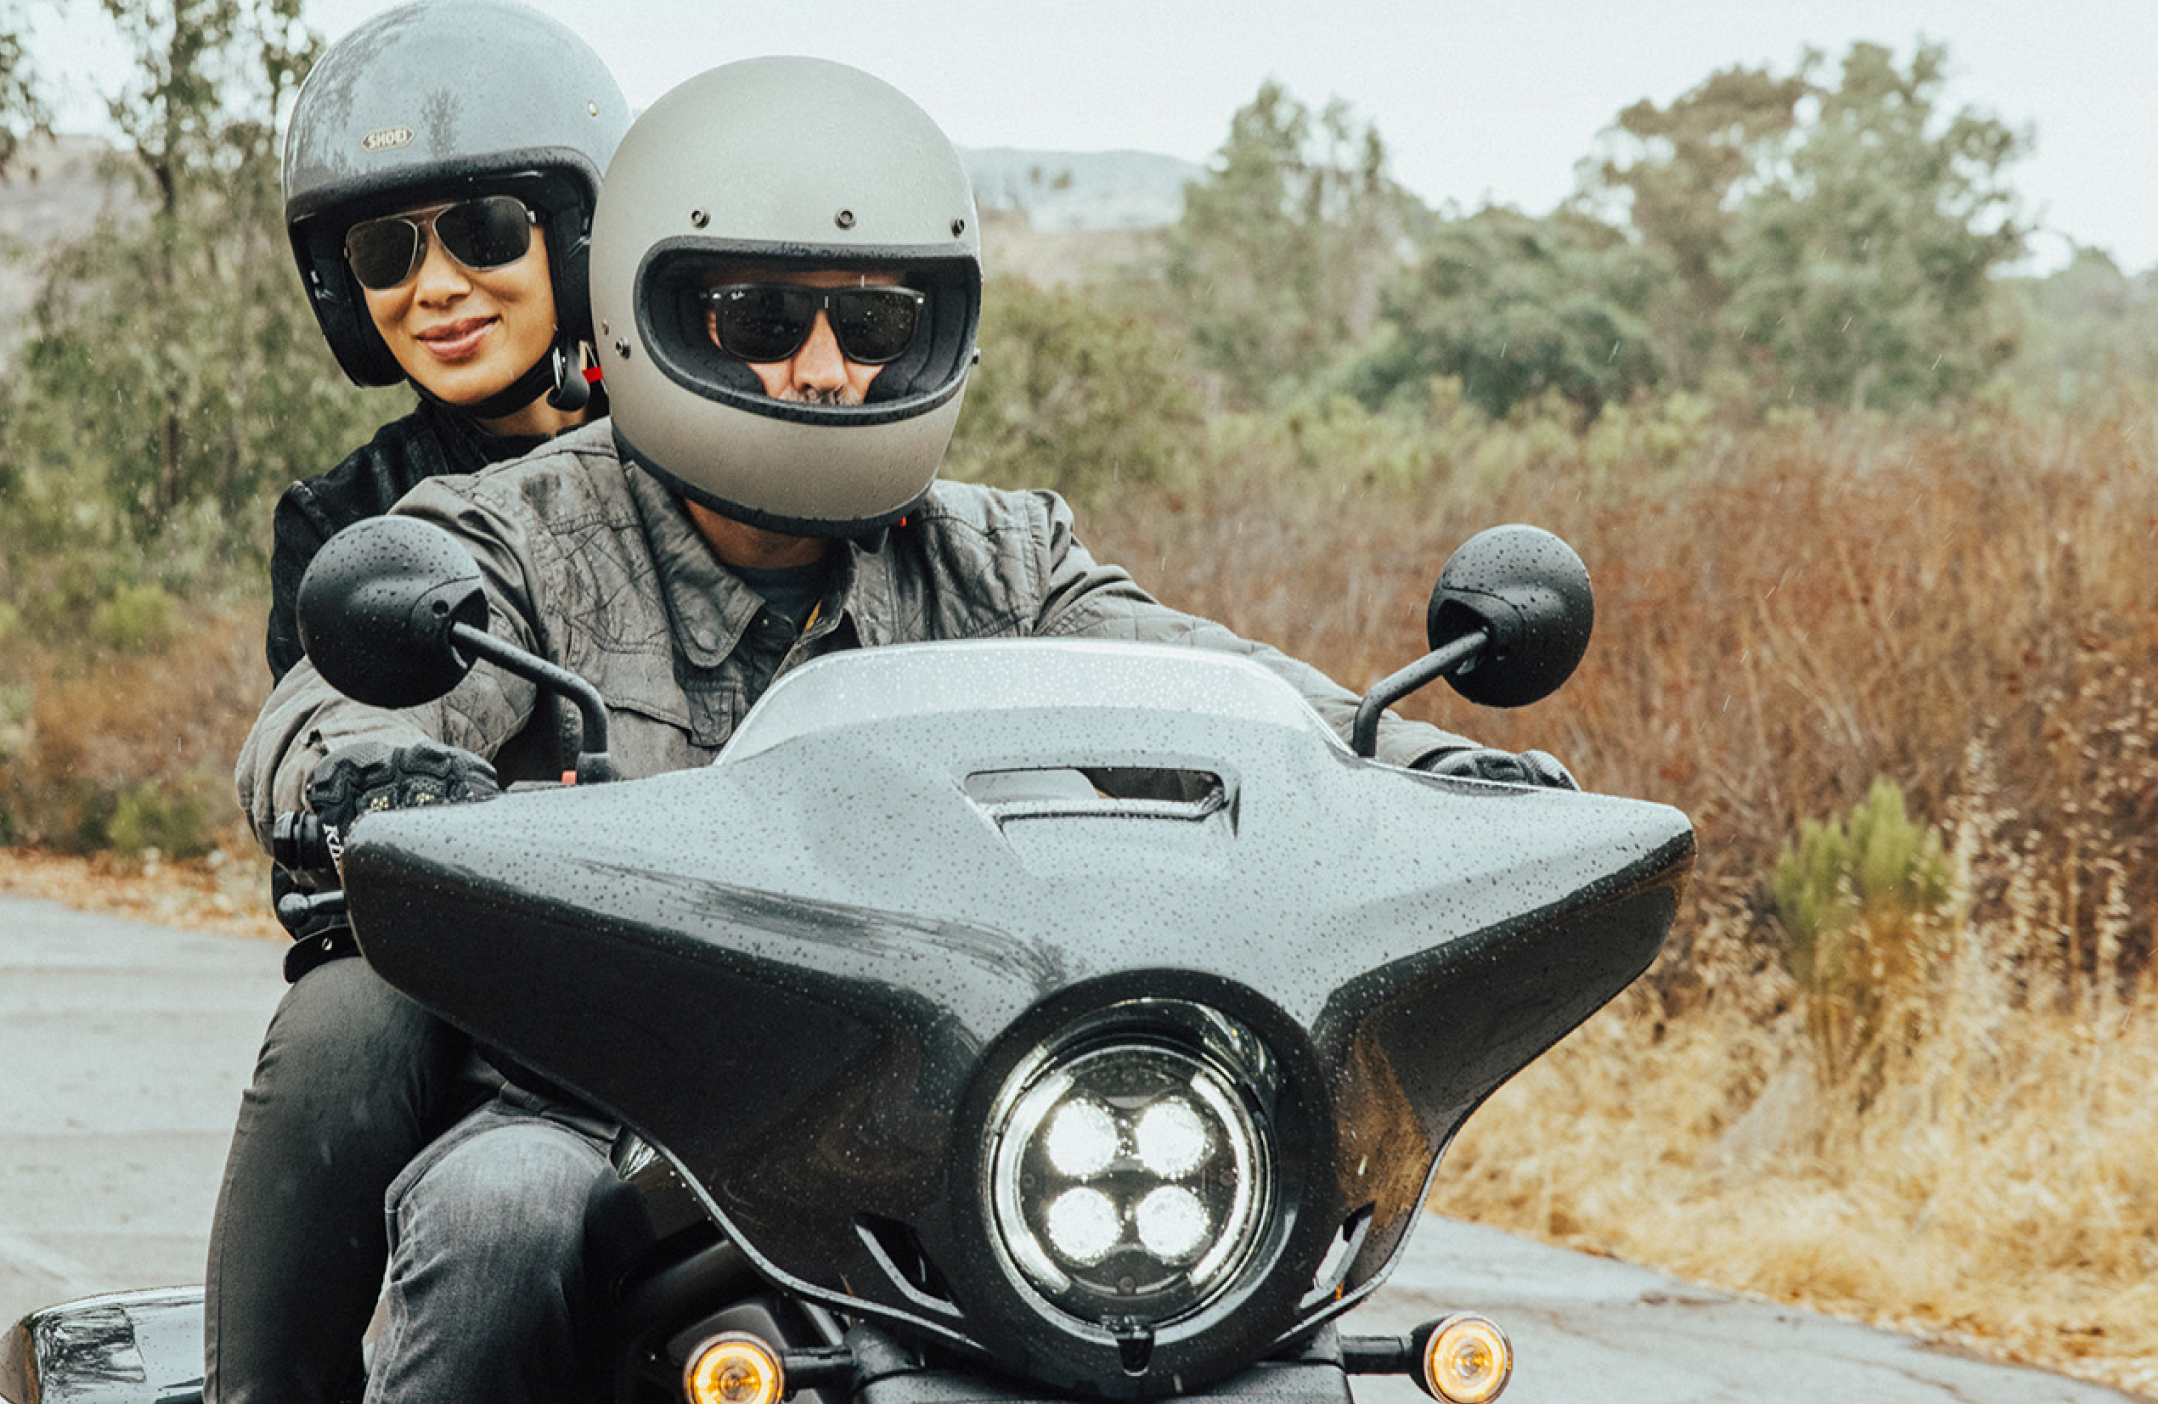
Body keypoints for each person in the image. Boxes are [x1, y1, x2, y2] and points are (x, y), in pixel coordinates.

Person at [236, 56, 1572, 1404]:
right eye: (760, 316)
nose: (822, 372)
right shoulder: (522, 531)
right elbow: (338, 703)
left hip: (948, 1104)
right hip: (601, 1110)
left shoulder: (1006, 555)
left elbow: (1228, 688)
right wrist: (367, 777)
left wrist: (1428, 766)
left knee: (1246, 1254)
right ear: (657, 318)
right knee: (497, 1217)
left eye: (872, 327)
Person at [205, 4, 629, 1402]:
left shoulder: (719, 456)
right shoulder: (347, 520)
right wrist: (381, 797)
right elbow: (316, 750)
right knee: (348, 1015)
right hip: (464, 968)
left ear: (578, 239)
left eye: (486, 232)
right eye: (386, 252)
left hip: (728, 948)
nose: (435, 284)